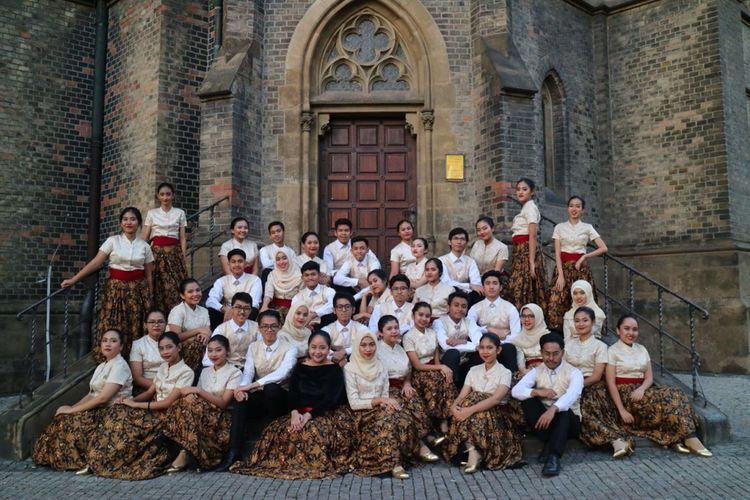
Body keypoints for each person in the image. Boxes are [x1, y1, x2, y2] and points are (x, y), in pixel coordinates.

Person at [585, 314, 712, 458]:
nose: (631, 333)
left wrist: (641, 388)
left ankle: (688, 437)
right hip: (626, 396)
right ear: (618, 330)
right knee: (669, 397)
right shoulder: (612, 351)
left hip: (642, 391)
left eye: (634, 330)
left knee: (676, 392)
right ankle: (687, 437)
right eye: (626, 329)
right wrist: (622, 410)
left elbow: (649, 377)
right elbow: (610, 383)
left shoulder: (642, 349)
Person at [230, 331, 353, 479]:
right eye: (313, 347)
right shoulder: (300, 367)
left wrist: (308, 416)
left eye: (322, 348)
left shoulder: (334, 369)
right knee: (282, 431)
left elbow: (331, 399)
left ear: (328, 349)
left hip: (324, 412)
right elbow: (293, 394)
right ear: (308, 347)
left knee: (314, 431)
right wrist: (294, 413)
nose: (317, 352)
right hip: (300, 411)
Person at [86, 331, 195, 480]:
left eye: (169, 347)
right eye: (161, 348)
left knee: (128, 427)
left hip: (168, 416)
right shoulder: (164, 367)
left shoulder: (186, 372)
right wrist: (129, 401)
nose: (165, 352)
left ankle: (112, 462)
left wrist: (136, 406)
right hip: (152, 411)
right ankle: (99, 458)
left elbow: (168, 402)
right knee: (118, 412)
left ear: (179, 347)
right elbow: (151, 391)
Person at [33, 329, 133, 472]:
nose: (108, 344)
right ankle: (55, 458)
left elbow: (103, 398)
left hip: (115, 410)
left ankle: (78, 461)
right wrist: (70, 408)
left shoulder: (120, 366)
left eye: (113, 341)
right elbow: (91, 394)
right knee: (63, 417)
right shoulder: (102, 366)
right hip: (99, 408)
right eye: (104, 340)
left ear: (121, 346)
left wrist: (73, 410)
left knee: (74, 423)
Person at [61, 206, 153, 360]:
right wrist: (74, 279)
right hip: (115, 290)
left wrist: (150, 295)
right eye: (125, 219)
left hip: (137, 290)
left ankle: (134, 360)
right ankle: (111, 359)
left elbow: (149, 275)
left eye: (133, 219)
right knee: (113, 322)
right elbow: (96, 263)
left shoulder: (144, 246)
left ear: (139, 223)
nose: (129, 222)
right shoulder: (112, 241)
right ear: (120, 223)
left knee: (134, 323)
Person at [219, 310, 297, 470]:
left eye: (273, 326)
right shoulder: (253, 347)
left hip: (281, 398)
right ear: (259, 328)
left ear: (280, 327)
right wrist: (242, 389)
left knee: (271, 388)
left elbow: (282, 373)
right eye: (265, 326)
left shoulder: (290, 348)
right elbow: (248, 372)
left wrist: (251, 386)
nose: (269, 330)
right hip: (261, 395)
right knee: (240, 399)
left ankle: (266, 433)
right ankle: (234, 452)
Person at [345, 328, 424, 479]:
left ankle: (410, 453)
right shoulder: (350, 368)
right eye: (363, 345)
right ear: (357, 347)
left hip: (380, 407)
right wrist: (381, 401)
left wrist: (386, 403)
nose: (368, 349)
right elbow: (354, 403)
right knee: (387, 422)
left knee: (403, 417)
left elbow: (385, 393)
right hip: (361, 412)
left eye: (371, 344)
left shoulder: (380, 366)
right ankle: (394, 464)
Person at [444, 333, 522, 473]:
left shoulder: (505, 372)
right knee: (466, 406)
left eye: (489, 348)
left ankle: (474, 453)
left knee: (474, 404)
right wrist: (454, 406)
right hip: (474, 411)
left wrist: (469, 410)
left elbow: (496, 399)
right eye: (482, 347)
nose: (485, 351)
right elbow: (462, 395)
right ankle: (473, 451)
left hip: (496, 413)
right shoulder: (473, 370)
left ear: (498, 350)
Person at [162, 334, 241, 472]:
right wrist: (190, 396)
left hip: (220, 417)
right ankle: (185, 451)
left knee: (186, 408)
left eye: (218, 350)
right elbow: (196, 396)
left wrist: (198, 391)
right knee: (181, 404)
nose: (213, 354)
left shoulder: (235, 372)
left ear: (227, 351)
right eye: (209, 350)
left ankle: (187, 453)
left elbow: (223, 403)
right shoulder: (205, 372)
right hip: (201, 412)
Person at [512, 332, 583, 476]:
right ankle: (550, 440)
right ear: (541, 353)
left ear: (562, 352)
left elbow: (572, 395)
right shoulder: (537, 371)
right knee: (528, 400)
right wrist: (538, 392)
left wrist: (553, 409)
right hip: (544, 423)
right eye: (547, 354)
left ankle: (553, 457)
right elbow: (516, 391)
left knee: (563, 412)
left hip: (570, 423)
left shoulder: (574, 373)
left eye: (555, 354)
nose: (551, 358)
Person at [377, 316, 436, 464]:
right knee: (402, 410)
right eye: (389, 329)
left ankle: (425, 436)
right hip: (385, 390)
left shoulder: (400, 348)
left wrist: (407, 383)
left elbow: (408, 370)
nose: (394, 331)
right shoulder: (376, 349)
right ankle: (421, 445)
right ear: (381, 332)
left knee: (414, 400)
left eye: (396, 328)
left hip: (402, 385)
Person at [547, 196, 608, 329]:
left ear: (582, 210)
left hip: (580, 269)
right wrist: (561, 276)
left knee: (582, 302)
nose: (574, 209)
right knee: (555, 301)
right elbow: (557, 253)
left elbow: (603, 248)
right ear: (568, 208)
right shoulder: (559, 227)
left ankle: (584, 332)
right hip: (562, 268)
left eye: (578, 206)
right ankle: (561, 335)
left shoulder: (587, 227)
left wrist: (584, 257)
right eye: (571, 206)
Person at [404, 302, 457, 443]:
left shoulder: (433, 333)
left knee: (446, 379)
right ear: (413, 315)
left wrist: (442, 370)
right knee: (434, 380)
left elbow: (436, 359)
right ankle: (436, 421)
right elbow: (417, 365)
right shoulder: (408, 336)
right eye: (420, 315)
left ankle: (445, 420)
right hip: (418, 372)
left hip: (433, 368)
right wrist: (440, 368)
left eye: (427, 316)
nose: (424, 318)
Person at [562, 306, 609, 450]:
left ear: (593, 322)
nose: (580, 324)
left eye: (585, 320)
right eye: (577, 321)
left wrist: (576, 387)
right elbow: (562, 368)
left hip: (591, 385)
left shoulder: (601, 346)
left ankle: (612, 439)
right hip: (569, 384)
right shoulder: (568, 344)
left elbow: (596, 376)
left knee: (587, 410)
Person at [141, 182, 188, 313]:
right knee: (157, 283)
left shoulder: (179, 213)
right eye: (162, 194)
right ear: (158, 196)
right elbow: (145, 234)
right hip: (156, 252)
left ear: (172, 195)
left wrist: (183, 255)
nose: (165, 197)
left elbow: (182, 237)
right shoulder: (152, 213)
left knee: (175, 284)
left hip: (174, 252)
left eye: (168, 194)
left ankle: (175, 314)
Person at [466, 270, 521, 373]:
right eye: (487, 283)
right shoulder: (475, 308)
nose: (491, 287)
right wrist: (487, 329)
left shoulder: (510, 308)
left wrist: (497, 345)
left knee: (510, 349)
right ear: (483, 287)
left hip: (504, 346)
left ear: (500, 287)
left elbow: (516, 335)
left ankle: (508, 384)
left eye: (495, 283)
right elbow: (469, 327)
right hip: (483, 348)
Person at [509, 178, 548, 312]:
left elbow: (532, 235)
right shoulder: (526, 208)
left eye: (524, 189)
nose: (520, 192)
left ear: (532, 192)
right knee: (521, 287)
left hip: (526, 250)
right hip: (520, 250)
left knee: (523, 287)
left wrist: (531, 261)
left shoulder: (531, 207)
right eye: (518, 189)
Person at [432, 291, 481, 386]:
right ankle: (451, 387)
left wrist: (460, 342)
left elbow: (480, 343)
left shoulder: (469, 321)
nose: (460, 309)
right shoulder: (438, 322)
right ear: (448, 307)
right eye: (456, 305)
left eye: (463, 306)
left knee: (481, 353)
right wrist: (467, 343)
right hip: (446, 360)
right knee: (453, 353)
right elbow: (446, 346)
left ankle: (473, 386)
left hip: (465, 360)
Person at [205, 248, 262, 328]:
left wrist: (235, 311)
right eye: (233, 262)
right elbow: (210, 300)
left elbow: (254, 303)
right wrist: (224, 308)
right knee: (210, 310)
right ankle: (217, 336)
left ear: (245, 263)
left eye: (240, 261)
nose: (237, 265)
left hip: (246, 313)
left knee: (253, 309)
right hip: (226, 314)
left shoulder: (255, 280)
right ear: (229, 264)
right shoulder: (221, 281)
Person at [202, 292, 259, 370]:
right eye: (238, 307)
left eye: (246, 308)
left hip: (250, 369)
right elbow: (207, 360)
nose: (242, 311)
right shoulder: (221, 329)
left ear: (250, 310)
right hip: (226, 369)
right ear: (232, 309)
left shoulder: (257, 328)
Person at [168, 278, 211, 370]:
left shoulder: (204, 311)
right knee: (195, 343)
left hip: (200, 348)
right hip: (180, 350)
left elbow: (207, 331)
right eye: (190, 292)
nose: (195, 294)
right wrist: (198, 331)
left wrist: (205, 335)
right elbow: (175, 338)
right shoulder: (178, 311)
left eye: (198, 290)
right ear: (182, 295)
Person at [322, 293, 371, 366]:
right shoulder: (326, 330)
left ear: (353, 309)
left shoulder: (362, 329)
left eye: (347, 307)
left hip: (358, 365)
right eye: (340, 307)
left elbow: (367, 346)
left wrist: (345, 351)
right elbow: (321, 348)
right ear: (334, 310)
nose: (344, 310)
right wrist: (334, 357)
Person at [439, 227, 483, 303]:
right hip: (447, 295)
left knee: (478, 294)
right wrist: (469, 286)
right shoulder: (441, 261)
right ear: (449, 242)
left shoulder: (471, 261)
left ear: (466, 242)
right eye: (455, 238)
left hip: (467, 297)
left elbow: (476, 284)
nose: (459, 242)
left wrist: (470, 287)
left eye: (462, 239)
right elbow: (446, 282)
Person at [129, 310, 167, 394]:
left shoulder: (172, 342)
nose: (156, 325)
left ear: (165, 324)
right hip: (147, 388)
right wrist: (162, 387)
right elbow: (137, 378)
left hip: (171, 384)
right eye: (152, 322)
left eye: (160, 322)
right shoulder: (137, 345)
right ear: (145, 325)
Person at [260, 250, 302, 321]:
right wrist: (264, 306)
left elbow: (302, 296)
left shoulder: (299, 276)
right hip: (274, 307)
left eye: (284, 258)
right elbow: (268, 293)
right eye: (278, 259)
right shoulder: (272, 275)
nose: (281, 262)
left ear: (290, 259)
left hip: (293, 308)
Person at [291, 260, 335, 327]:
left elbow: (333, 305)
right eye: (306, 275)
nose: (310, 278)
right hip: (305, 328)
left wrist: (315, 314)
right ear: (302, 278)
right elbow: (294, 315)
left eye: (313, 274)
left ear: (319, 275)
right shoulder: (297, 297)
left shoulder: (329, 291)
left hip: (326, 325)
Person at [512, 303, 550, 375]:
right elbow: (521, 365)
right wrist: (527, 373)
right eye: (524, 316)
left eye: (531, 316)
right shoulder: (518, 340)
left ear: (538, 317)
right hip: (528, 374)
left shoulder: (548, 337)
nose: (526, 319)